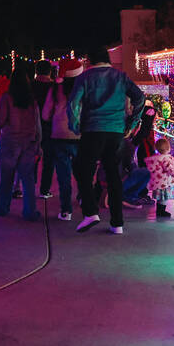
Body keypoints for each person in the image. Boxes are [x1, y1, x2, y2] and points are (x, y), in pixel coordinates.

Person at [68, 46, 145, 235]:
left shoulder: (84, 78)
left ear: (90, 60)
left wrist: (75, 125)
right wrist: (131, 123)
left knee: (83, 169)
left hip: (92, 129)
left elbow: (73, 104)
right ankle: (117, 223)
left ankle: (91, 212)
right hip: (116, 131)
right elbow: (140, 98)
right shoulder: (120, 77)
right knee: (113, 174)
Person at [0, 66, 42, 219]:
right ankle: (30, 211)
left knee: (6, 177)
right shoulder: (32, 100)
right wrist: (38, 144)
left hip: (10, 141)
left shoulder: (6, 98)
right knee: (27, 178)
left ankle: (2, 208)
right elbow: (37, 123)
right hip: (28, 141)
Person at [42, 58, 82, 220]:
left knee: (63, 175)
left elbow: (45, 114)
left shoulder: (55, 89)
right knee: (82, 172)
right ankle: (85, 201)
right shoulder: (85, 89)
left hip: (59, 135)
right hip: (80, 136)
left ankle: (66, 210)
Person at [31, 60, 56, 198]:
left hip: (32, 125)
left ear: (36, 71)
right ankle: (44, 190)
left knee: (32, 157)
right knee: (49, 159)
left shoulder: (30, 86)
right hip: (50, 126)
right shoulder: (54, 87)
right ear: (50, 71)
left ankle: (30, 184)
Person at [146, 138, 174, 218]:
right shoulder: (166, 158)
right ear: (168, 148)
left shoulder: (155, 158)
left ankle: (159, 211)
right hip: (165, 183)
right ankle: (162, 212)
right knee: (164, 199)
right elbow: (170, 169)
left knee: (160, 198)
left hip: (158, 182)